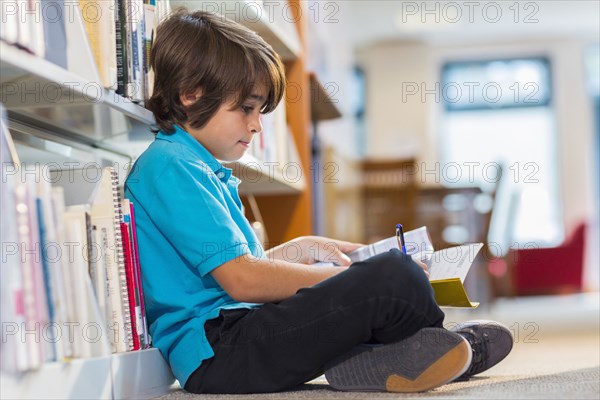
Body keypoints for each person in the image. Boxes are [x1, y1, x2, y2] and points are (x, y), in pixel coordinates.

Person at [124, 8, 513, 394]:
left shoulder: (194, 166)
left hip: (234, 336)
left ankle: (414, 350)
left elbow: (232, 273)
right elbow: (243, 280)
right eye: (246, 108)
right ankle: (428, 345)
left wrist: (303, 249)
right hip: (220, 351)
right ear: (190, 94)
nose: (257, 124)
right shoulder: (171, 166)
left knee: (393, 274)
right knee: (394, 277)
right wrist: (348, 277)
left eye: (259, 111)